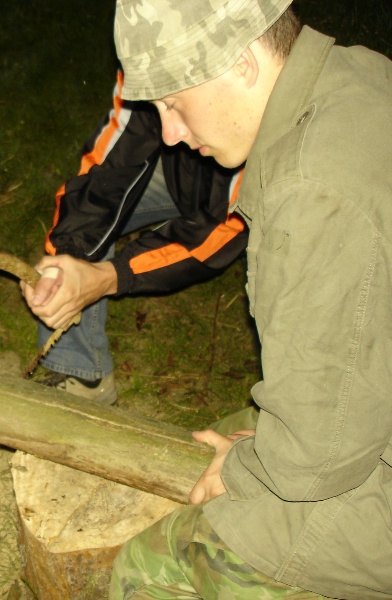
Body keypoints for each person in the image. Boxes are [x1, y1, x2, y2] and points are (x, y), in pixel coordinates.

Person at [40, 0, 390, 597]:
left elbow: (314, 459)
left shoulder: (311, 195)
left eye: (175, 105)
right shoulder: (356, 77)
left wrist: (253, 470)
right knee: (229, 433)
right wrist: (74, 261)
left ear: (244, 62)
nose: (170, 133)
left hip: (363, 466)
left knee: (150, 567)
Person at [23, 67, 247, 405]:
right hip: (180, 176)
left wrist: (110, 276)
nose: (166, 134)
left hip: (249, 199)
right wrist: (67, 259)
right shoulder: (146, 59)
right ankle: (81, 373)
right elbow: (106, 172)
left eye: (173, 105)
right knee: (88, 225)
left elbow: (221, 228)